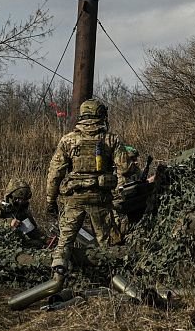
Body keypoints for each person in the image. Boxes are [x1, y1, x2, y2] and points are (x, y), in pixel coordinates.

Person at [45, 98, 134, 276]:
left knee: (65, 242)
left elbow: (55, 174)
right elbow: (125, 169)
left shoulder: (68, 140)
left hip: (73, 198)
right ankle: (112, 278)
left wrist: (50, 200)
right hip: (100, 199)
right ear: (101, 115)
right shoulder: (110, 139)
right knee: (107, 244)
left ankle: (58, 275)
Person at [0, 178, 46, 244]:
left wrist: (43, 238)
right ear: (12, 196)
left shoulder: (22, 208)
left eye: (25, 199)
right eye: (20, 198)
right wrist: (8, 223)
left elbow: (31, 229)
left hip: (17, 242)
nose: (23, 201)